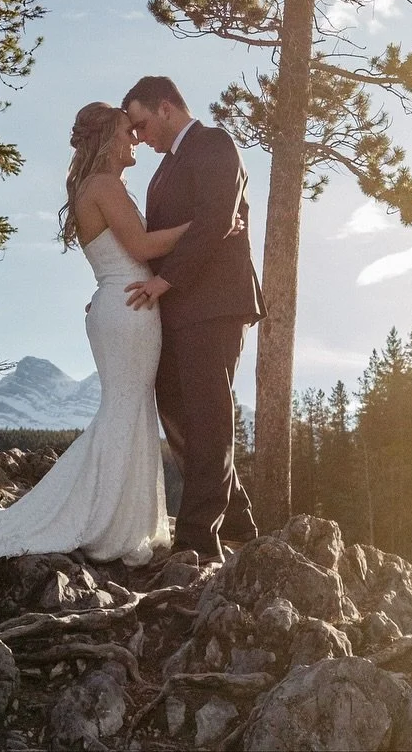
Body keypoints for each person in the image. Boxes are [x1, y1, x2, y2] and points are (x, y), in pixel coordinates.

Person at [0, 101, 186, 570]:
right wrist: (203, 227)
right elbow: (140, 247)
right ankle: (103, 522)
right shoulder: (103, 186)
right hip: (127, 306)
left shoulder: (93, 187)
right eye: (126, 131)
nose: (134, 138)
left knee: (127, 409)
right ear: (107, 140)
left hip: (119, 304)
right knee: (125, 409)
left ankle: (116, 517)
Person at [122, 76, 265, 565]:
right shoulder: (162, 173)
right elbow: (155, 240)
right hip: (177, 308)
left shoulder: (214, 143)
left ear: (166, 108)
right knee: (175, 407)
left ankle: (199, 537)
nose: (139, 137)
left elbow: (217, 218)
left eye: (140, 125)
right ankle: (242, 522)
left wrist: (167, 282)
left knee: (208, 414)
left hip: (216, 304)